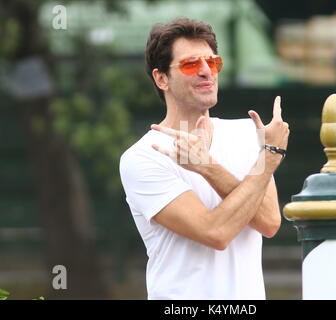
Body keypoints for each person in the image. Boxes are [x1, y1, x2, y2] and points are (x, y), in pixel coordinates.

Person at [119, 17, 290, 300]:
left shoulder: (247, 133)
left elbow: (269, 222)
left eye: (212, 63)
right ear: (161, 78)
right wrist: (269, 158)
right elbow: (216, 233)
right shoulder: (143, 157)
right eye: (190, 64)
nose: (205, 72)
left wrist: (208, 167)